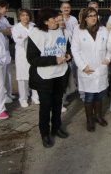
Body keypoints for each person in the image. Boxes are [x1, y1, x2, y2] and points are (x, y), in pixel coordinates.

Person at [27, 8, 71, 148]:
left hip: (60, 73)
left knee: (58, 104)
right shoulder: (35, 34)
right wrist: (54, 59)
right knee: (45, 106)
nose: (58, 21)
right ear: (45, 21)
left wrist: (69, 55)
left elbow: (66, 47)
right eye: (54, 19)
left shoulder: (61, 30)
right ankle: (44, 133)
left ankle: (56, 127)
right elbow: (32, 59)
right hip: (44, 77)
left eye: (58, 18)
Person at [72, 7, 111, 132]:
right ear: (84, 18)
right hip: (87, 69)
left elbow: (110, 46)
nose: (93, 18)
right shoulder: (78, 30)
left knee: (99, 96)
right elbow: (75, 50)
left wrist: (108, 58)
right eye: (90, 16)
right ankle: (89, 119)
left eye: (95, 15)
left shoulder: (103, 30)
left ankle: (98, 116)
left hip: (101, 68)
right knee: (89, 97)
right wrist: (83, 66)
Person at [12, 9, 39, 108]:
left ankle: (35, 97)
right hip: (22, 56)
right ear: (19, 17)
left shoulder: (33, 25)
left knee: (34, 76)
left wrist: (26, 37)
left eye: (27, 15)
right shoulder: (16, 28)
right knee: (22, 78)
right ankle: (23, 99)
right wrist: (29, 37)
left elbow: (38, 37)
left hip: (34, 55)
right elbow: (18, 40)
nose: (25, 17)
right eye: (23, 15)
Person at [56, 14, 74, 113]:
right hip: (57, 63)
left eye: (62, 21)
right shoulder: (53, 33)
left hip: (66, 62)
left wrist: (69, 55)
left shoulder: (67, 32)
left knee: (65, 83)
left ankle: (63, 99)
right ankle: (59, 104)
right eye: (59, 21)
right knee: (59, 85)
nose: (62, 23)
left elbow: (70, 46)